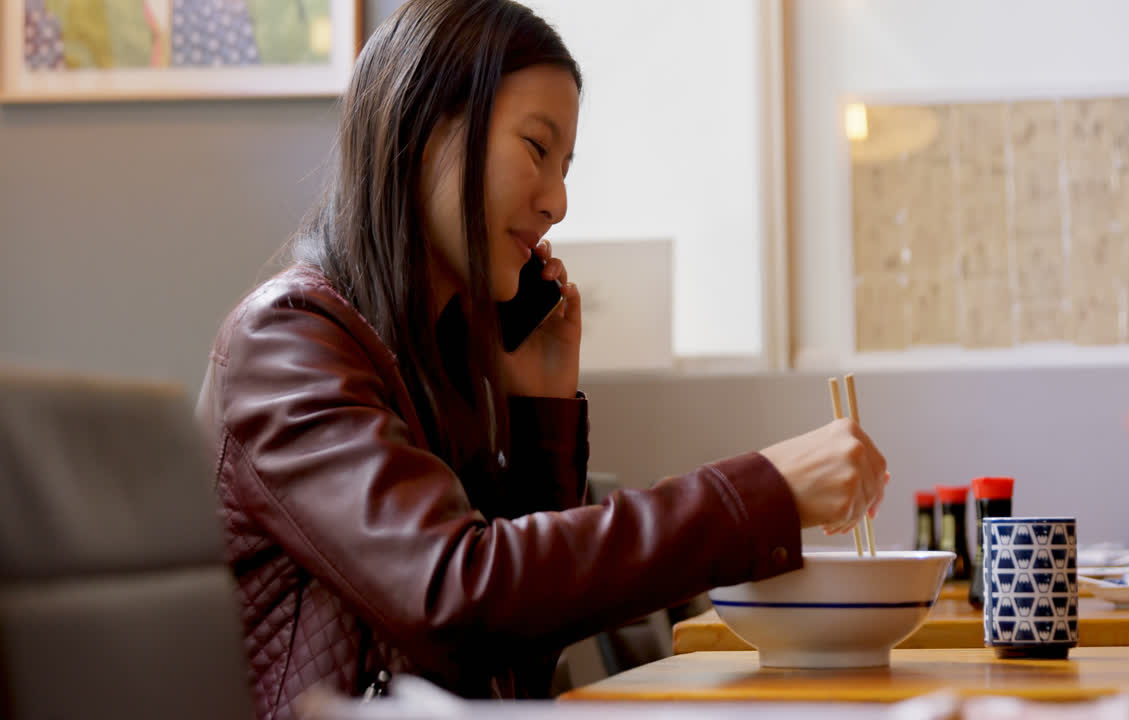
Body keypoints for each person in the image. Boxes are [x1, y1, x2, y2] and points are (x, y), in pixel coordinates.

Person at [195, 1, 888, 718]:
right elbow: (458, 595)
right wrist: (767, 492)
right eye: (536, 148)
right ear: (423, 131)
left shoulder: (432, 358)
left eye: (565, 168)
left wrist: (538, 423)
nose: (557, 201)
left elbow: (514, 657)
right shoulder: (287, 341)